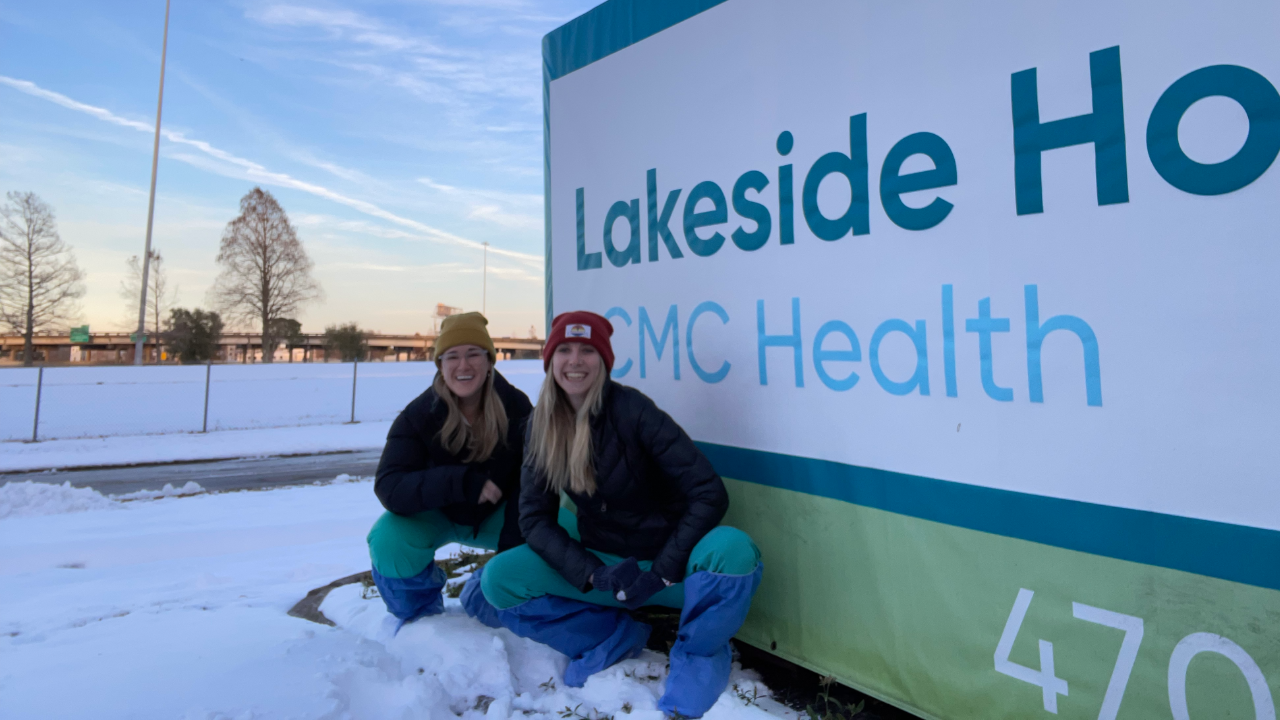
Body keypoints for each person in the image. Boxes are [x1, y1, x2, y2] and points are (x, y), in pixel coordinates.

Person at [463, 311, 762, 718]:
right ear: (550, 360)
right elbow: (534, 519)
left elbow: (708, 492)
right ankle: (609, 635)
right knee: (499, 580)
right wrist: (592, 573)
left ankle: (698, 655)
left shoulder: (633, 410)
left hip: (669, 572)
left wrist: (662, 570)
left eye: (587, 350)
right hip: (609, 571)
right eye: (564, 350)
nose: (575, 360)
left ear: (603, 360)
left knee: (735, 550)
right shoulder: (540, 425)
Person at [367, 311, 533, 629]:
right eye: (452, 356)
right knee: (388, 536)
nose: (463, 366)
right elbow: (390, 486)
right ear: (441, 365)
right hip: (438, 512)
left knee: (556, 523)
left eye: (473, 354)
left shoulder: (517, 407)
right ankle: (419, 619)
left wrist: (508, 556)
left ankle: (489, 593)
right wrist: (460, 482)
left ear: (489, 362)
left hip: (499, 516)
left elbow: (533, 484)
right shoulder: (418, 415)